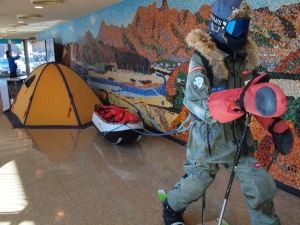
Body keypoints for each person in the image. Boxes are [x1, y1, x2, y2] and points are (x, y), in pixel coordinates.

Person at [162, 0, 292, 225]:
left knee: (260, 184)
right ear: (219, 27)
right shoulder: (202, 59)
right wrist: (230, 104)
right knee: (197, 183)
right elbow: (194, 103)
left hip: (237, 139)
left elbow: (254, 97)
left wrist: (273, 124)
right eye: (236, 28)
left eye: (245, 26)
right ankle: (171, 208)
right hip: (206, 141)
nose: (242, 33)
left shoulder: (245, 59)